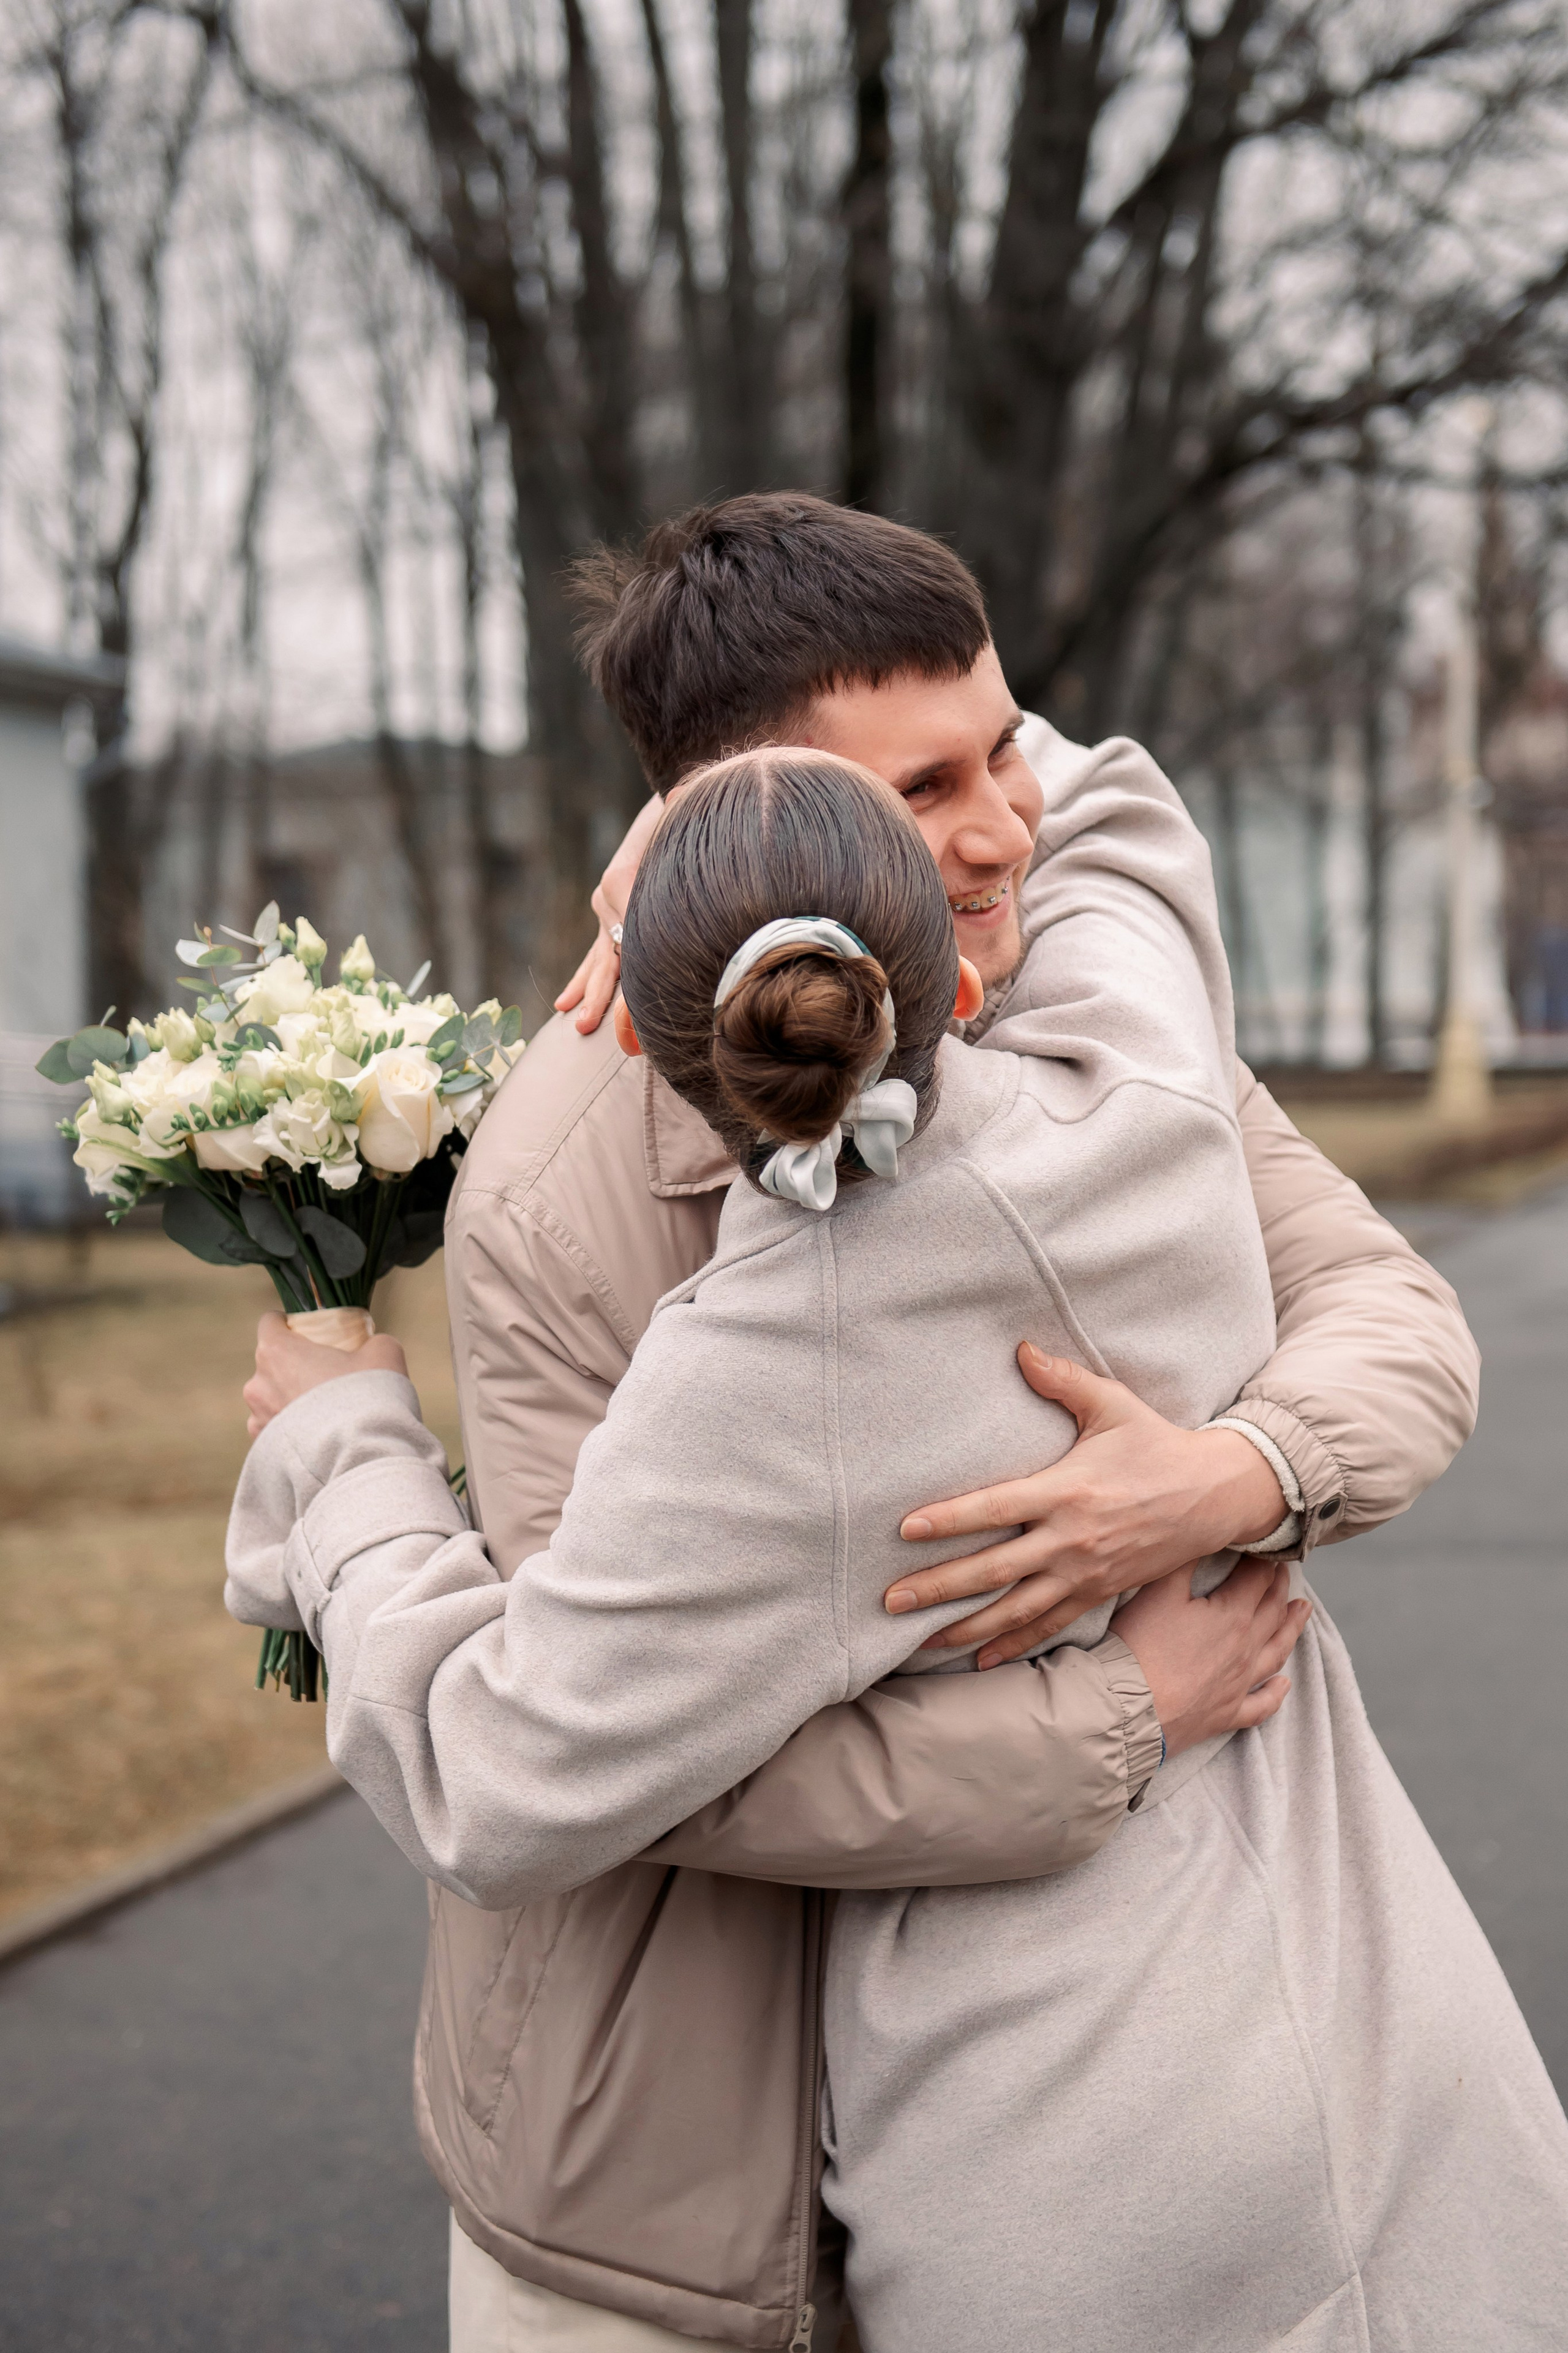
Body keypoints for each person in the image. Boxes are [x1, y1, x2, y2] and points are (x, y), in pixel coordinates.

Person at [235, 497, 1483, 2353]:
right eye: (924, 789)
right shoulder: (558, 1196)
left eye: (1001, 746)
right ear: (755, 812)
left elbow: (1395, 1318)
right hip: (683, 2112)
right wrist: (1111, 1706)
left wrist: (1215, 1477)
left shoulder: (1075, 1013)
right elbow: (636, 1766)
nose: (1000, 826)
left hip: (1085, 2068)